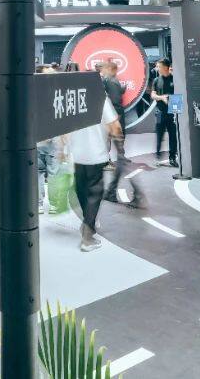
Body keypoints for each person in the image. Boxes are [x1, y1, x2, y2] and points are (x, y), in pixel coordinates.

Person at [67, 91, 121, 252]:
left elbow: (65, 127)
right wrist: (120, 147)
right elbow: (115, 126)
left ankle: (88, 223)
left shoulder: (73, 97)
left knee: (81, 190)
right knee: (94, 193)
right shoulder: (101, 99)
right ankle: (87, 237)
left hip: (77, 155)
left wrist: (63, 149)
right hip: (95, 154)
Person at [101, 61, 143, 207]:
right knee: (121, 158)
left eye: (104, 68)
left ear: (110, 69)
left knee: (121, 159)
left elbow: (114, 102)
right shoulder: (112, 81)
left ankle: (115, 192)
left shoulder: (110, 82)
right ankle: (113, 191)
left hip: (114, 120)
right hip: (115, 120)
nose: (102, 70)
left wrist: (113, 121)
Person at [149, 59, 178, 167]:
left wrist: (173, 105)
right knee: (159, 135)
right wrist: (162, 98)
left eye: (159, 66)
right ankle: (158, 156)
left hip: (172, 112)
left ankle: (172, 158)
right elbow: (153, 95)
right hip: (159, 112)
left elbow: (178, 95)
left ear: (166, 67)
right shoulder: (156, 80)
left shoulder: (175, 79)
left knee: (173, 136)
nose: (157, 69)